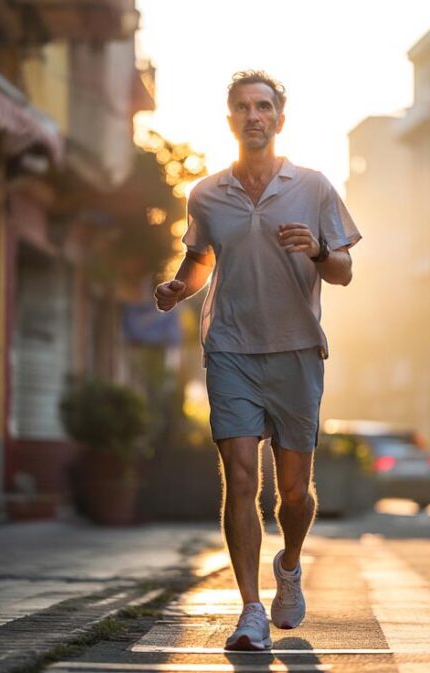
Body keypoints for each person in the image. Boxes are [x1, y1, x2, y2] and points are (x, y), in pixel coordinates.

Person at [154, 71, 361, 651]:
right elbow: (200, 259)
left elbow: (344, 271)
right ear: (230, 120)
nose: (254, 116)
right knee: (241, 478)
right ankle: (249, 610)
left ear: (279, 118)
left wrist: (318, 250)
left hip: (296, 351)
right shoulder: (205, 194)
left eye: (263, 106)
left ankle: (288, 565)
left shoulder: (313, 187)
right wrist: (177, 287)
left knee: (293, 492)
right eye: (243, 107)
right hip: (230, 350)